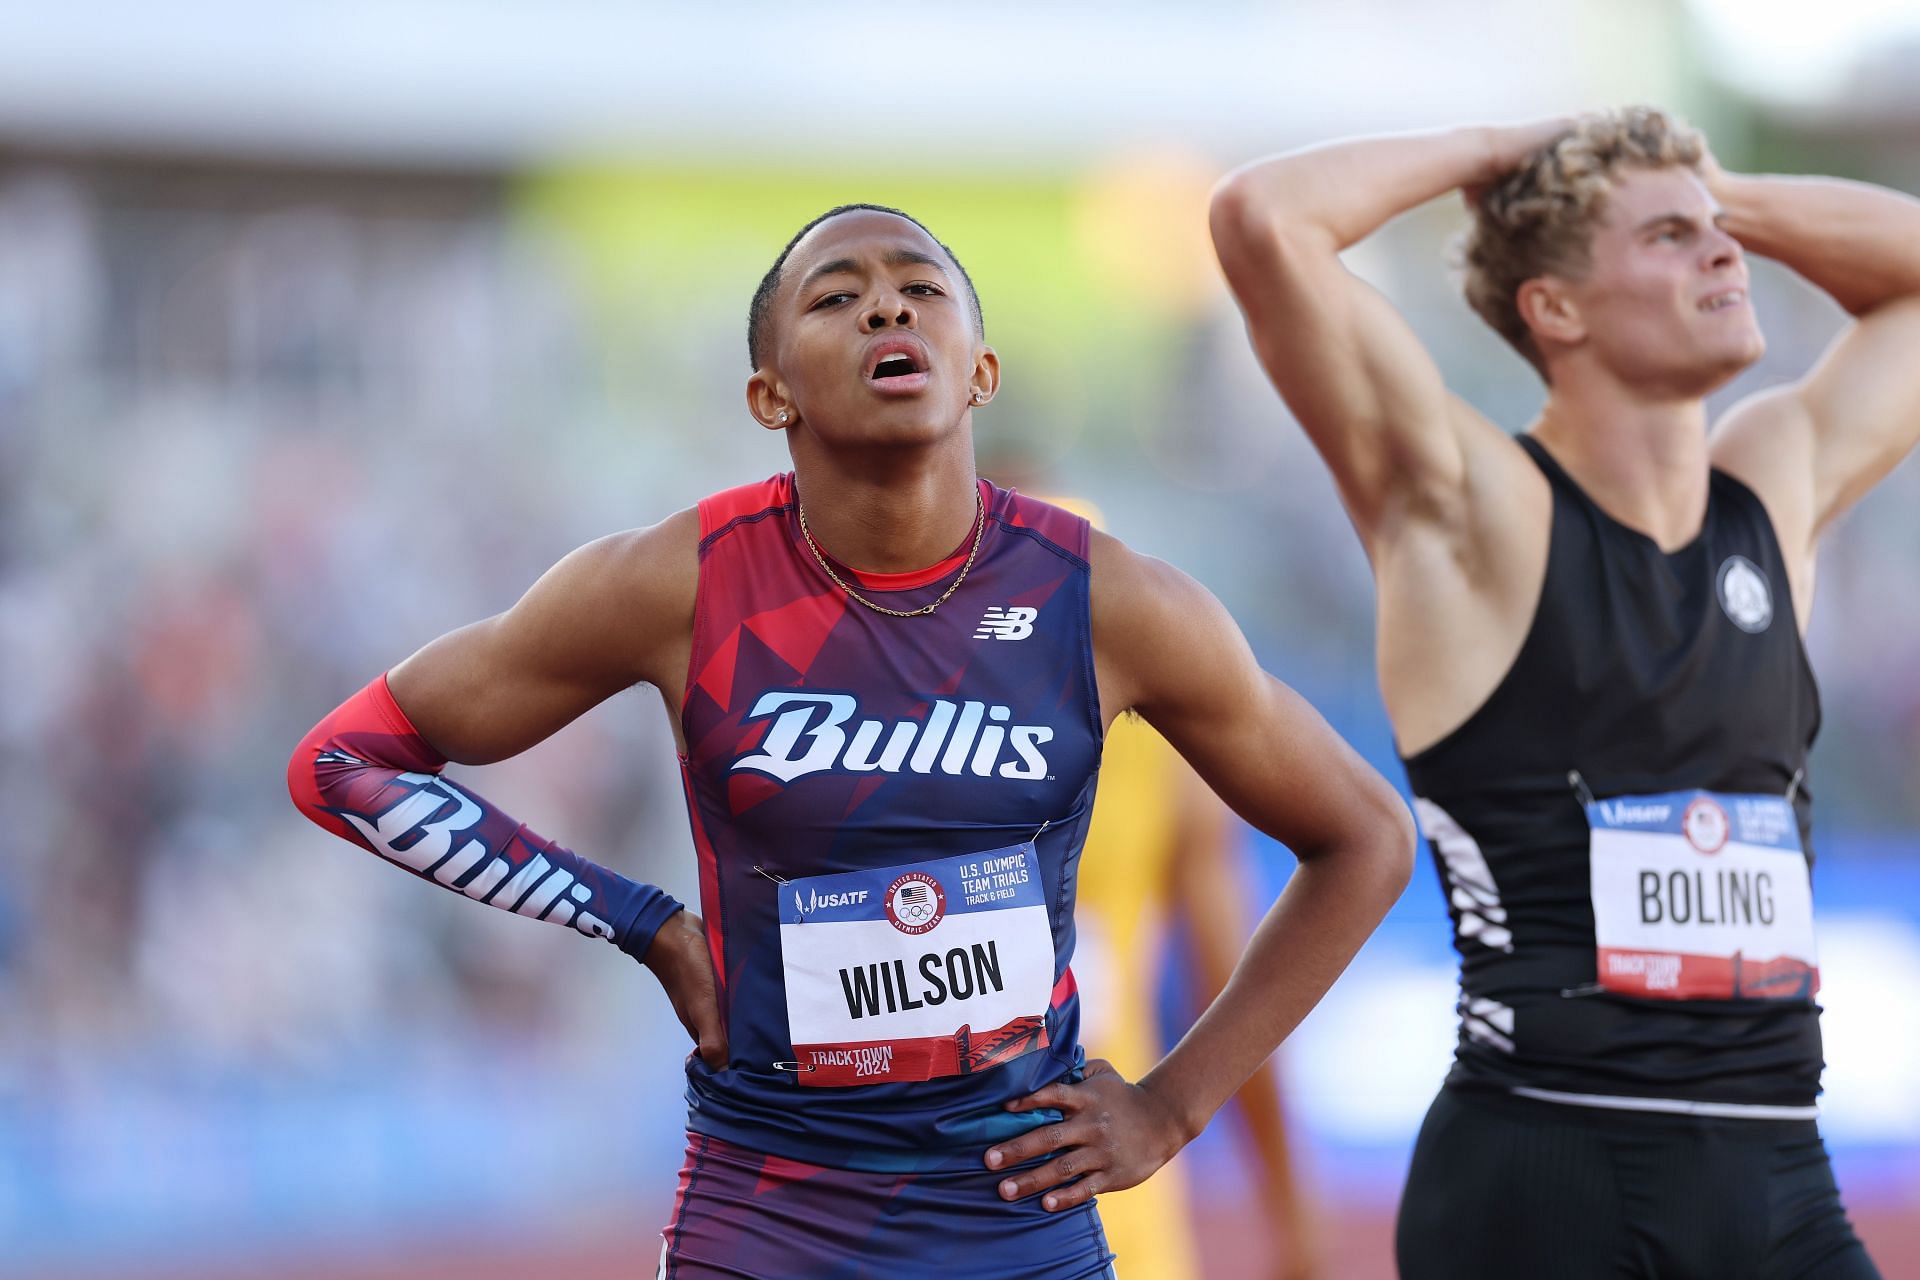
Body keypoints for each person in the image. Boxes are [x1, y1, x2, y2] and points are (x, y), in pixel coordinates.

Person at [288, 203, 1413, 1279]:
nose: (888, 310)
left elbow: (1364, 834)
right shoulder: (679, 584)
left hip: (1020, 1221)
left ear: (980, 368)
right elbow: (342, 762)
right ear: (768, 392)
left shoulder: (1107, 603)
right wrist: (649, 926)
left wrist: (1174, 1104)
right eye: (838, 297)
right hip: (773, 1216)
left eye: (922, 289)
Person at [1210, 107, 1920, 1279]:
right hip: (1545, 1176)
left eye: (1721, 234)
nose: (1726, 254)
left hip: (1775, 1171)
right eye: (1672, 239)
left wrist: (1706, 186)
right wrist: (1504, 150)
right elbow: (1263, 218)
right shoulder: (1469, 501)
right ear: (1556, 307)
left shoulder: (1771, 493)